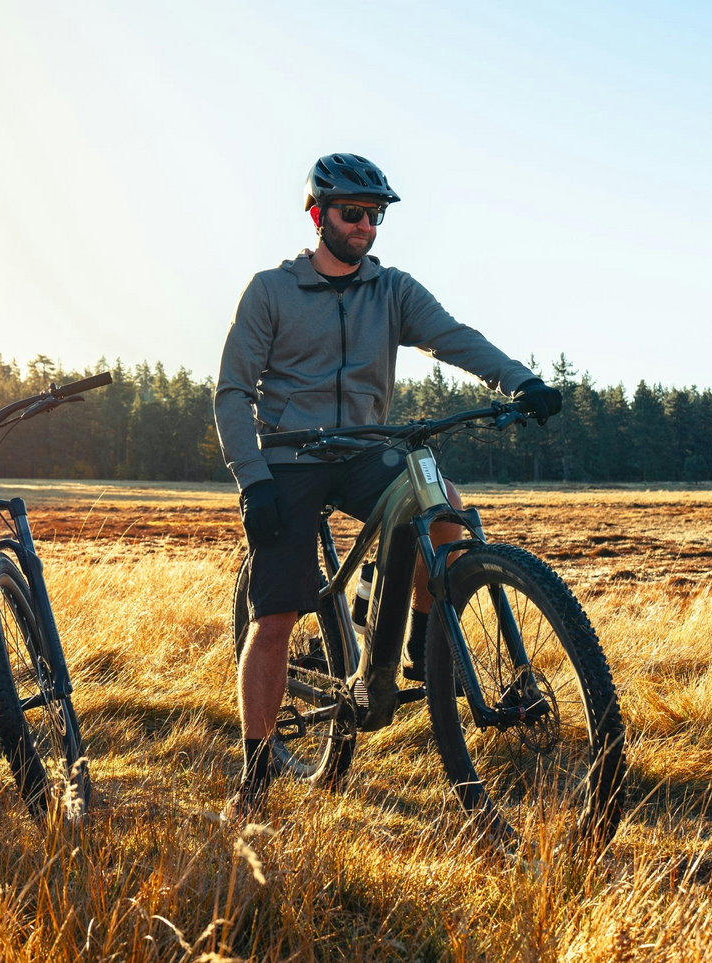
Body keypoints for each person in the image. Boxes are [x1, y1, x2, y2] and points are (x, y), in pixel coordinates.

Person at [213, 152, 563, 817]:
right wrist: (251, 479)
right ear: (318, 214)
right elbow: (232, 392)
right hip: (288, 458)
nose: (365, 227)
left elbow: (452, 337)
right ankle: (254, 779)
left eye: (374, 216)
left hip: (364, 451)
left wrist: (518, 380)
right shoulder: (270, 291)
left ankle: (421, 654)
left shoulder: (392, 290)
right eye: (352, 214)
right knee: (277, 615)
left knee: (445, 508)